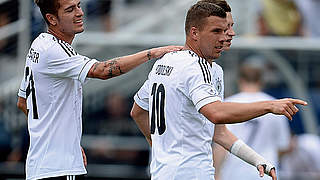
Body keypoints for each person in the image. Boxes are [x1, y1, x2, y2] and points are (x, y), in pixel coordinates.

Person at [130, 1, 307, 180]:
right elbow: (216, 113)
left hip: (164, 172)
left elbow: (138, 111)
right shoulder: (198, 67)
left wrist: (256, 160)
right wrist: (269, 106)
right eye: (219, 30)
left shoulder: (167, 61)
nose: (228, 34)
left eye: (229, 27)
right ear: (195, 32)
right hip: (191, 173)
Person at [16, 0, 182, 179]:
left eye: (79, 5)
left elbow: (22, 102)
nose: (79, 13)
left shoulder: (39, 45)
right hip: (60, 169)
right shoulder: (54, 50)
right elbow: (103, 71)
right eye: (70, 10)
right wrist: (152, 53)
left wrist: (65, 142)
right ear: (51, 19)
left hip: (40, 166)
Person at [213, 60, 291, 180]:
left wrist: (216, 172)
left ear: (240, 81)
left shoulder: (228, 104)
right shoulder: (276, 106)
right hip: (267, 172)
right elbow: (283, 146)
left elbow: (221, 143)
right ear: (261, 82)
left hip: (234, 172)